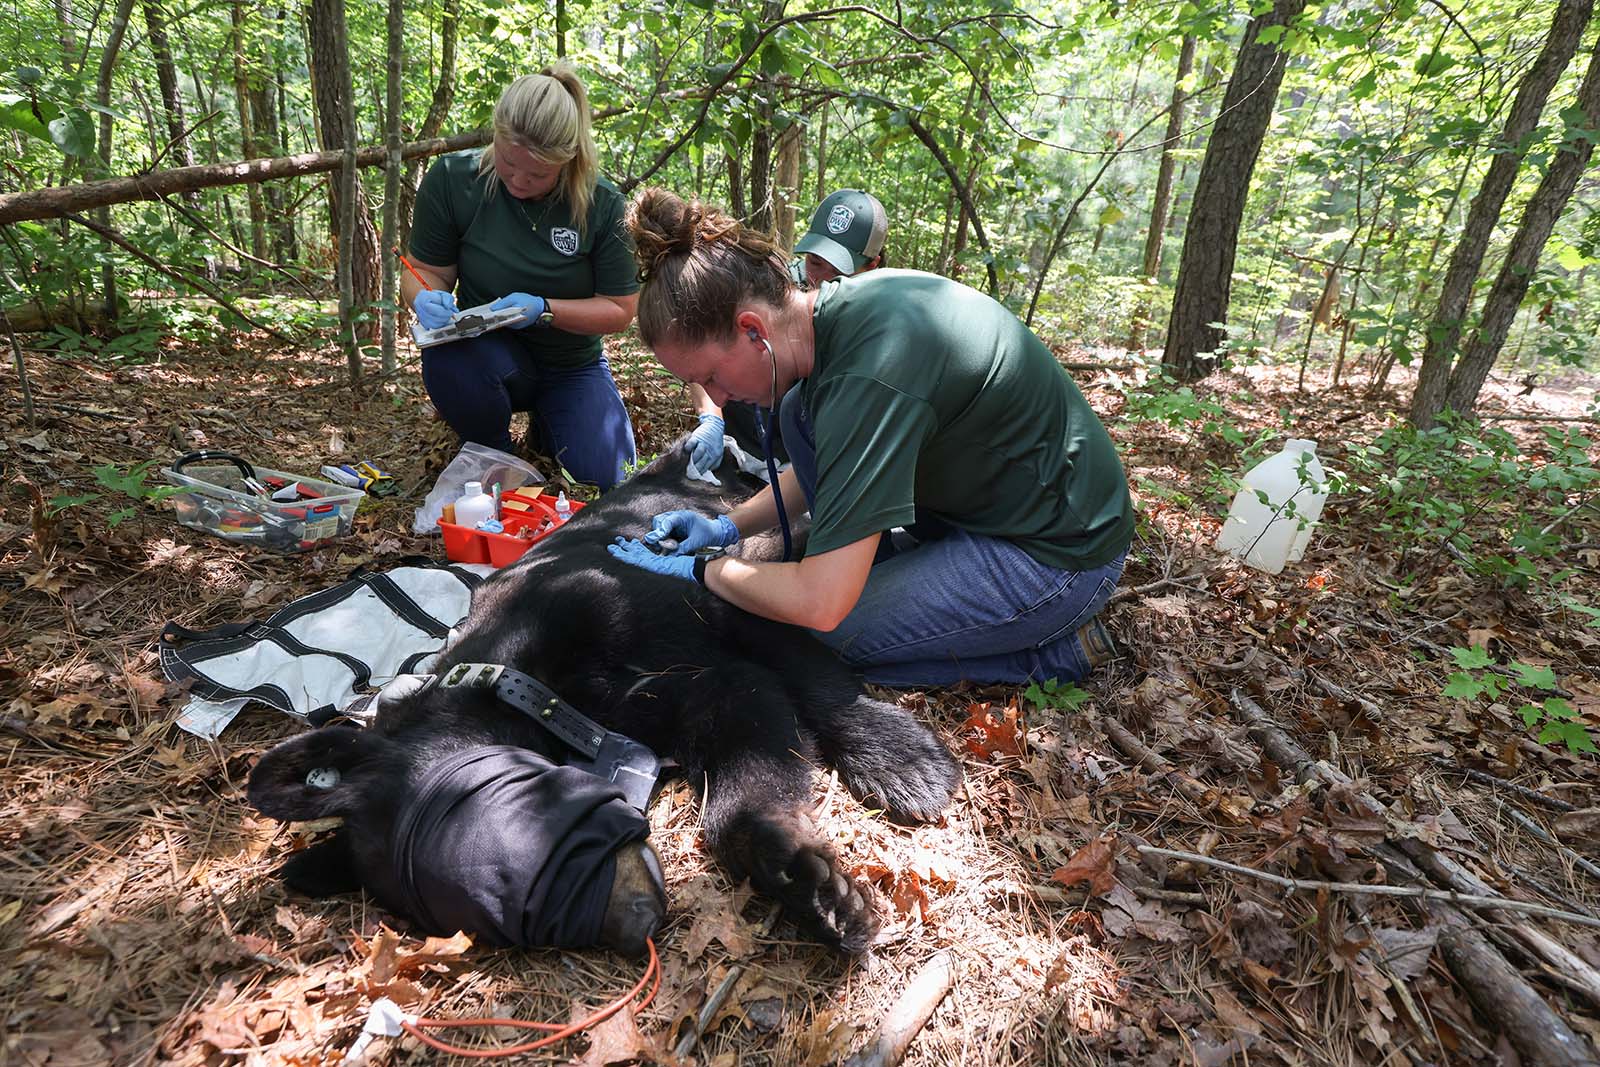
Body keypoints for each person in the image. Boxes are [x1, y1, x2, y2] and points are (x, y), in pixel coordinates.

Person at [607, 189, 1133, 687]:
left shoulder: (871, 372)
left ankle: (1050, 656)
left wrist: (708, 569)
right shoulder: (828, 323)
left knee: (813, 637)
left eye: (710, 376)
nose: (716, 398)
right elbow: (835, 465)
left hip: (1055, 555)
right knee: (796, 417)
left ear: (753, 330)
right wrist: (725, 527)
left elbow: (820, 604)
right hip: (984, 513)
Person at [402, 63, 639, 490]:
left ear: (568, 159)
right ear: (495, 136)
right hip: (488, 355)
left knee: (607, 479)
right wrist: (424, 296)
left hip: (571, 365)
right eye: (508, 162)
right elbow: (425, 272)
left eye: (538, 174)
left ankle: (552, 425)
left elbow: (620, 310)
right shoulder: (454, 181)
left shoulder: (602, 205)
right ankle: (492, 453)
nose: (518, 180)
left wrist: (544, 310)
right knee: (447, 356)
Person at [684, 189, 889, 473]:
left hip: (804, 469)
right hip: (737, 450)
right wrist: (711, 417)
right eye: (815, 262)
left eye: (838, 271)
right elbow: (701, 352)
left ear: (871, 266)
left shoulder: (878, 331)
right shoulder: (771, 285)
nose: (821, 280)